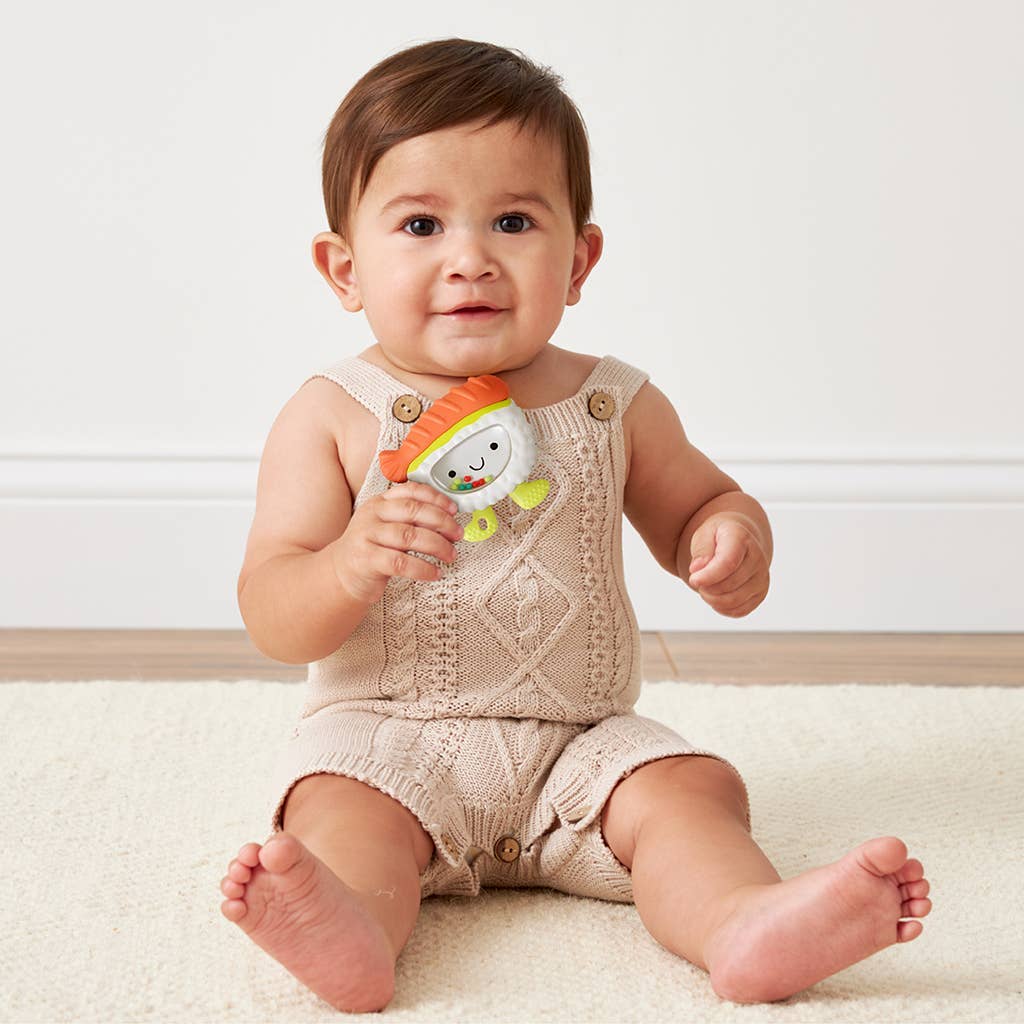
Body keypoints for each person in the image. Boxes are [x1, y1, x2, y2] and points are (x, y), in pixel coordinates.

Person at [218, 37, 931, 1013]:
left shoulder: (613, 402)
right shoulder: (333, 412)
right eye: (420, 223)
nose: (468, 258)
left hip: (577, 742)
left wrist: (727, 541)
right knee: (333, 809)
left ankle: (740, 922)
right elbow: (273, 611)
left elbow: (701, 504)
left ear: (579, 255)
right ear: (343, 267)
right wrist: (345, 564)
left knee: (690, 787)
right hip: (387, 740)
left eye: (512, 220)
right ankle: (349, 926)